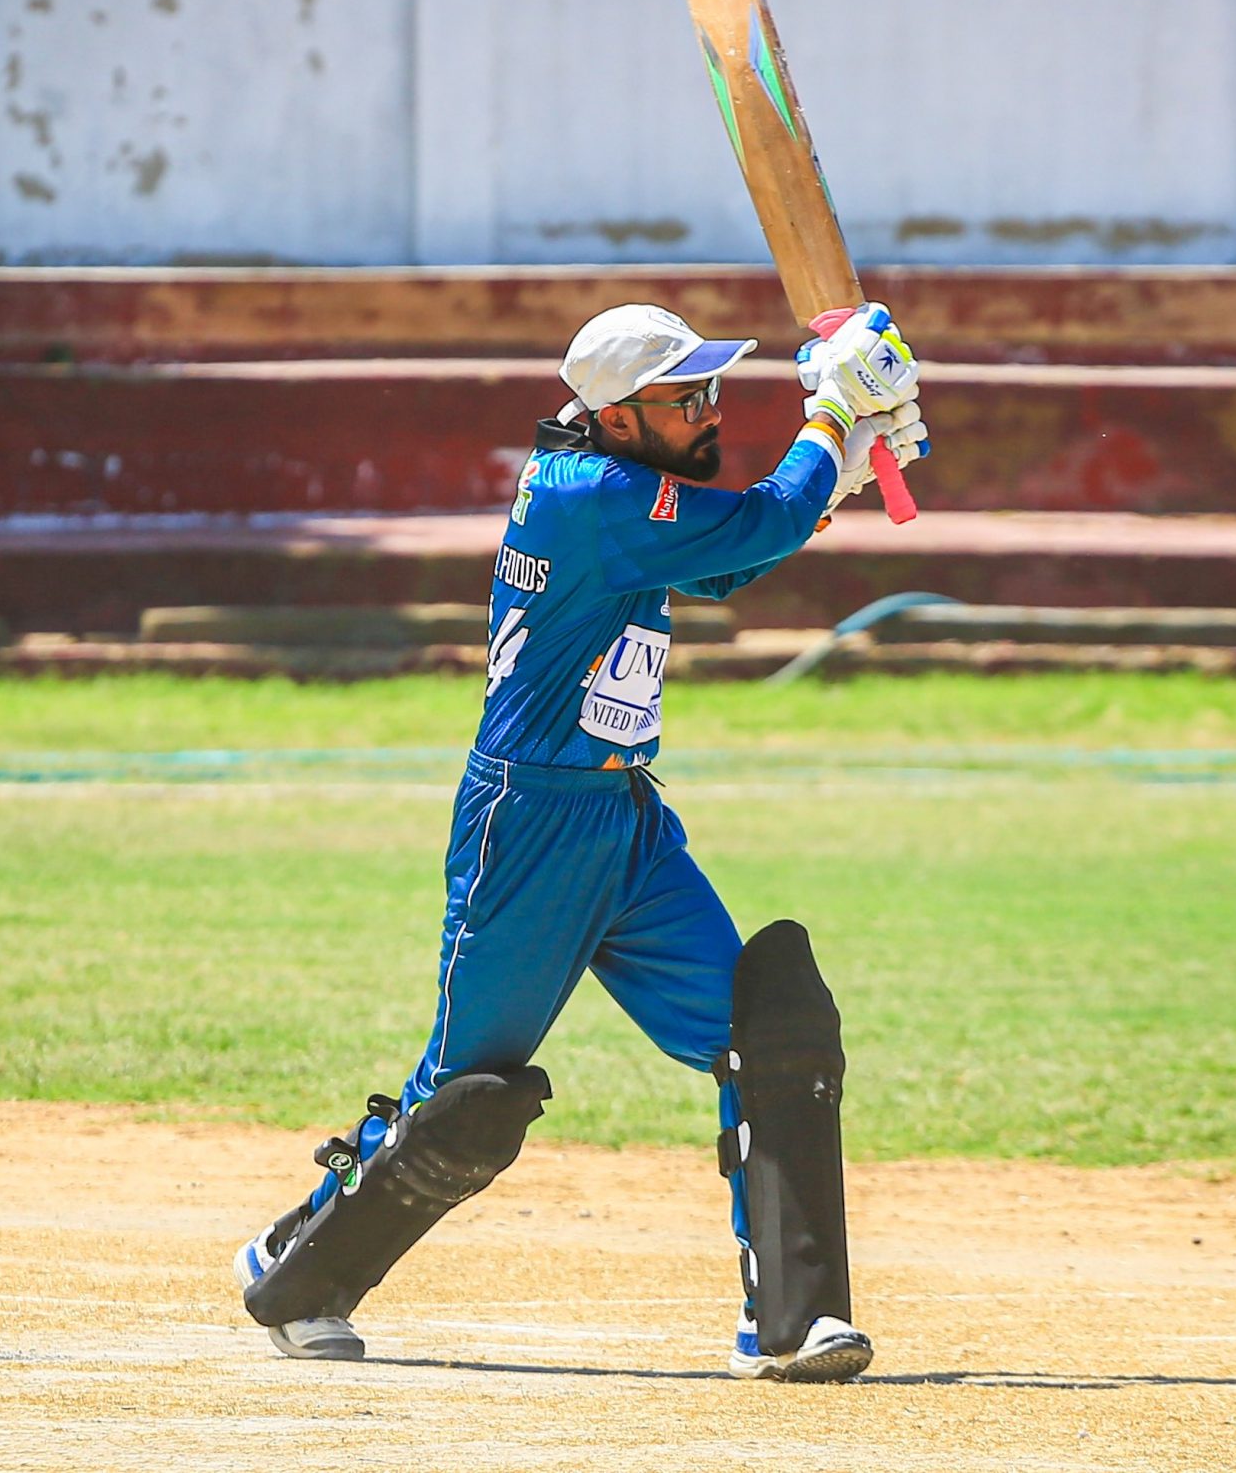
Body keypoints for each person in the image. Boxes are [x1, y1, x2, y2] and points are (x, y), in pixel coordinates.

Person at [234, 300, 927, 1380]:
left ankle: (793, 1322)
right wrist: (833, 416)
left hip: (625, 822)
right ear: (616, 415)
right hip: (530, 827)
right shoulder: (588, 494)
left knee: (770, 1031)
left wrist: (838, 460)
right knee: (465, 1100)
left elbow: (725, 561)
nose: (709, 411)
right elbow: (752, 527)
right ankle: (298, 1270)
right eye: (686, 397)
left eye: (711, 390)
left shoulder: (618, 489)